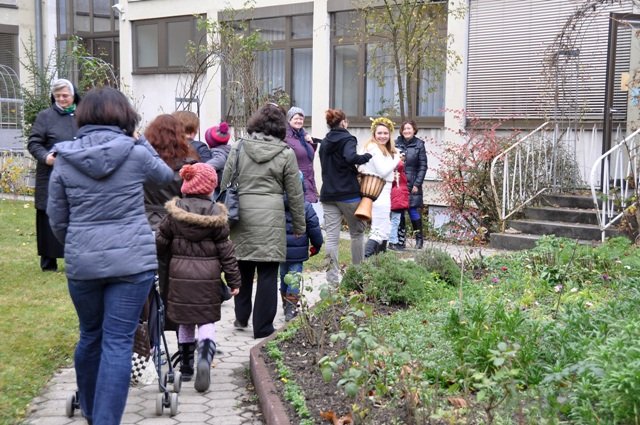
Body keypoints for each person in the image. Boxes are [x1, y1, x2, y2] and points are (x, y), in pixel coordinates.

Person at [46, 86, 174, 425]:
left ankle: (89, 410)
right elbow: (167, 180)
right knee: (118, 341)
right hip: (132, 262)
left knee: (90, 335)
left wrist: (77, 242)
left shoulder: (64, 158)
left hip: (83, 263)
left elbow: (57, 219)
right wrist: (140, 140)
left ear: (82, 115)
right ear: (125, 116)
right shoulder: (135, 152)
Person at [219, 103, 305, 339]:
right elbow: (295, 193)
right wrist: (299, 225)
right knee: (268, 272)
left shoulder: (238, 148)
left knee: (242, 267)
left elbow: (226, 181)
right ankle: (263, 327)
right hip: (271, 218)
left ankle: (241, 316)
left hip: (242, 216)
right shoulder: (286, 153)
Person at [155, 162, 241, 392]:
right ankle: (205, 355)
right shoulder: (216, 214)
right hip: (208, 276)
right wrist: (234, 281)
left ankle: (185, 367)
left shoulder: (174, 214)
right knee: (206, 319)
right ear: (210, 188)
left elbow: (160, 244)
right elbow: (226, 250)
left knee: (185, 319)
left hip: (179, 275)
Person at [27, 78, 80, 272]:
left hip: (77, 174)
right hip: (50, 172)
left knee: (75, 214)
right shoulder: (45, 117)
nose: (61, 99)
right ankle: (48, 261)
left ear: (73, 95)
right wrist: (46, 157)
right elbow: (34, 143)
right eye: (57, 96)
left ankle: (74, 259)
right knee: (48, 214)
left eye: (65, 95)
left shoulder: (83, 115)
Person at [318, 109, 373, 285]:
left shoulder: (325, 141)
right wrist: (366, 157)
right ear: (343, 122)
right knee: (357, 233)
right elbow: (351, 157)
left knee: (332, 238)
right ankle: (358, 276)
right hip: (348, 195)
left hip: (328, 195)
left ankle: (332, 281)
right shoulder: (348, 138)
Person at [280, 180, 324, 322]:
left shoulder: (276, 205)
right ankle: (291, 308)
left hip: (279, 249)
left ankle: (285, 303)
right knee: (294, 278)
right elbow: (314, 228)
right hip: (298, 252)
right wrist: (316, 245)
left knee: (283, 276)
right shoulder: (306, 207)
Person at [360, 117, 402, 257]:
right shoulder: (373, 148)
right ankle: (366, 261)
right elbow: (383, 171)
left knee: (385, 227)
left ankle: (380, 263)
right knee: (378, 229)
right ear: (374, 134)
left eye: (386, 133)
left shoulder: (382, 149)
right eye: (379, 133)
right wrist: (397, 158)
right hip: (378, 191)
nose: (383, 136)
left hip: (384, 190)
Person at [395, 120, 428, 249]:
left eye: (409, 129)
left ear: (414, 130)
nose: (407, 131)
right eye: (404, 129)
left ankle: (419, 240)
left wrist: (417, 183)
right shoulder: (396, 144)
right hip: (399, 183)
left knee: (413, 211)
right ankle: (400, 240)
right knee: (399, 212)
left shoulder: (419, 145)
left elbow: (423, 166)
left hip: (414, 183)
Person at [285, 107, 322, 222]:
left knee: (308, 218)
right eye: (296, 118)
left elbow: (307, 157)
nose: (299, 121)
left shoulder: (303, 135)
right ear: (289, 120)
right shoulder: (286, 138)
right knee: (299, 218)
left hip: (309, 179)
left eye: (301, 119)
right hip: (296, 182)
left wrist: (311, 142)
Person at [205, 121, 232, 199]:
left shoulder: (218, 151)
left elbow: (220, 160)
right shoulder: (228, 149)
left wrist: (203, 166)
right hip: (228, 185)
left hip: (220, 186)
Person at [389, 158, 410, 251]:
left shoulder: (396, 173)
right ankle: (393, 242)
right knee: (395, 221)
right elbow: (400, 164)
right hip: (398, 199)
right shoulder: (397, 172)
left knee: (395, 221)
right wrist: (398, 156)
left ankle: (394, 241)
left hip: (399, 199)